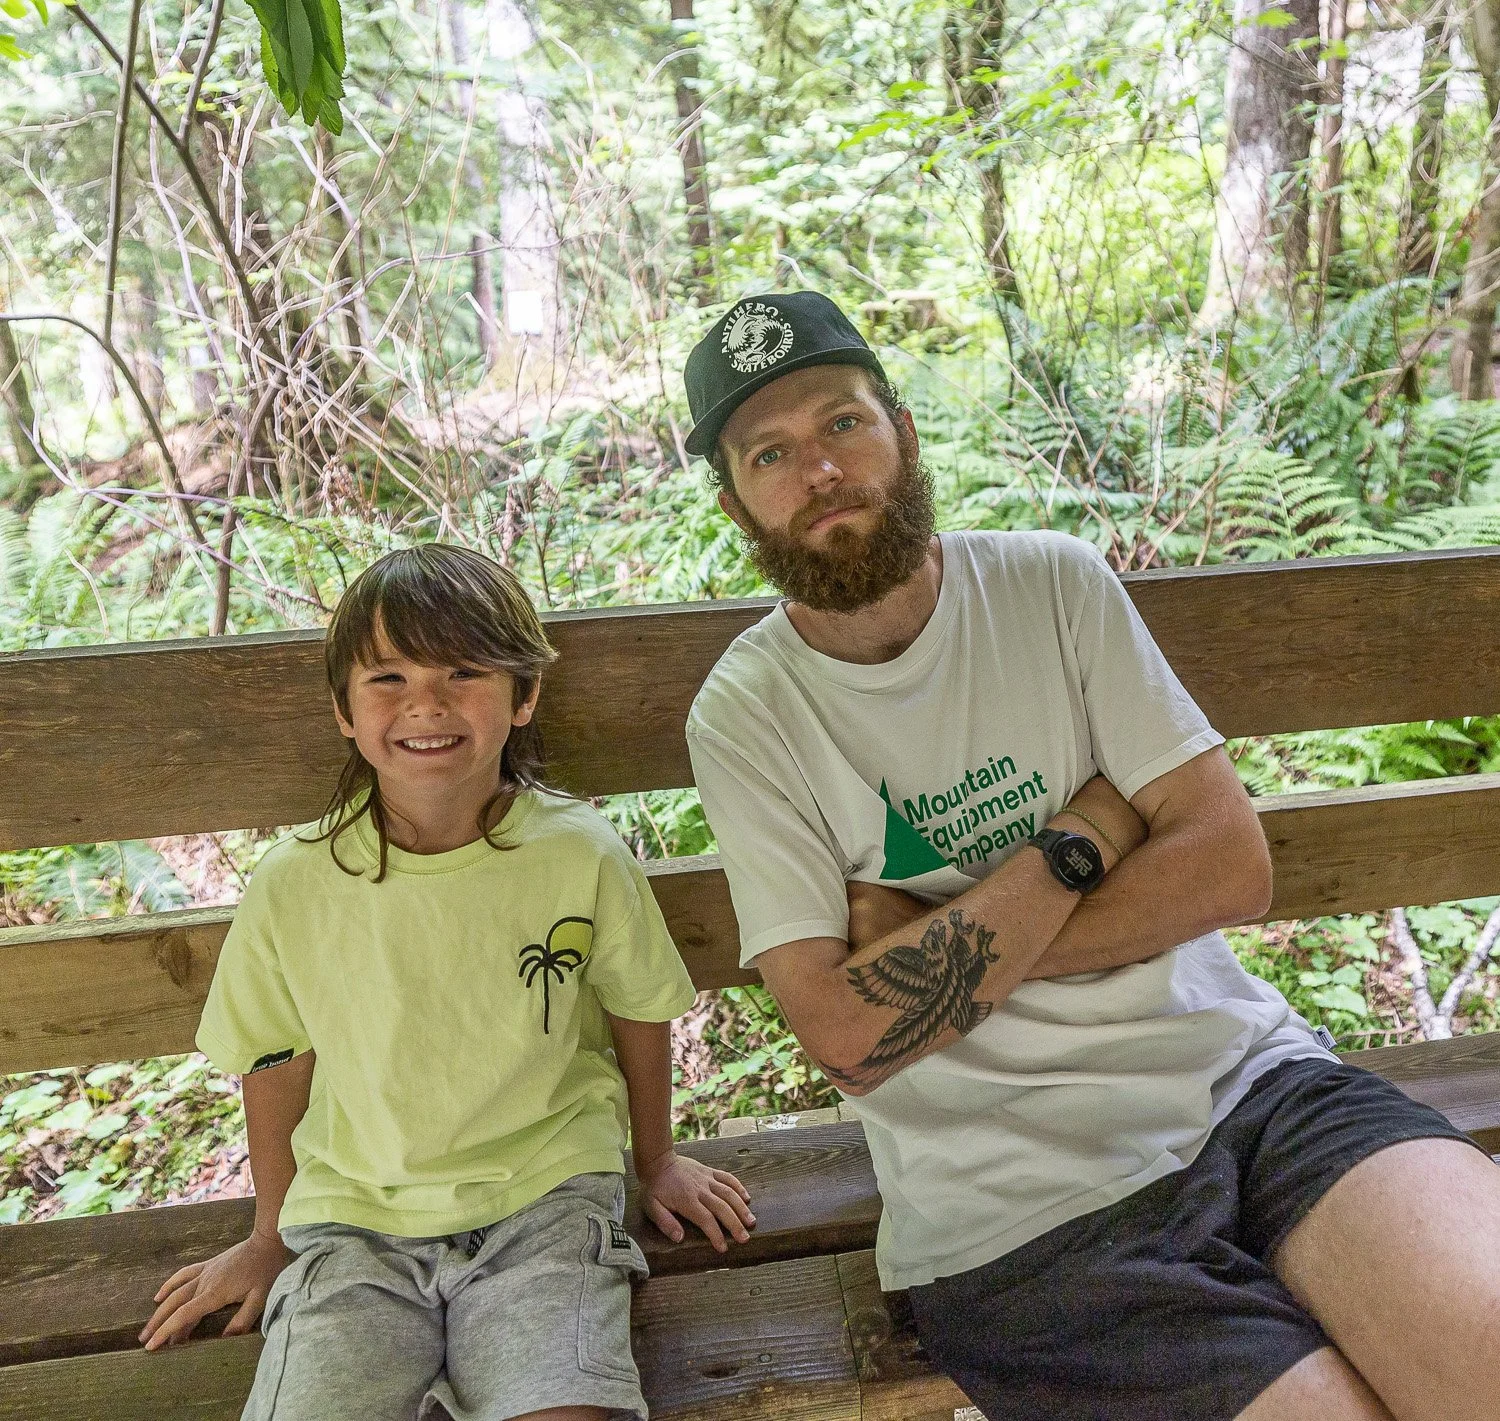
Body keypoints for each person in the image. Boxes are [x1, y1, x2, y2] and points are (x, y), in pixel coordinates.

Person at [681, 290, 1500, 1421]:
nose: (820, 469)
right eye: (771, 453)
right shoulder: (748, 713)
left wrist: (935, 946)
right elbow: (844, 1034)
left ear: (902, 432)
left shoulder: (1050, 585)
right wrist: (1087, 834)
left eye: (843, 422)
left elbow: (1231, 865)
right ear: (737, 504)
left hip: (1254, 1089)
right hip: (1022, 1213)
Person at [139, 545, 754, 1421]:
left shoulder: (578, 853)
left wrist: (655, 1162)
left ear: (524, 695)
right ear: (344, 711)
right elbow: (273, 1057)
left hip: (546, 1204)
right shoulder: (295, 882)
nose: (426, 703)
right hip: (356, 1226)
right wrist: (268, 1236)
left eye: (464, 671)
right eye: (387, 677)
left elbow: (638, 1006)